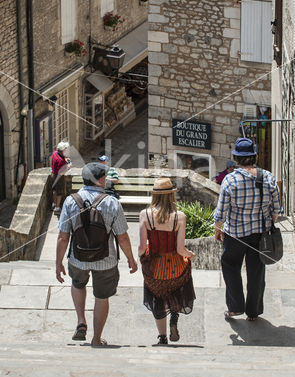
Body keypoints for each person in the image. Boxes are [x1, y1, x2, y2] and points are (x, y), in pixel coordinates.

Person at [56, 162, 138, 346]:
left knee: (78, 284)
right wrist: (131, 259)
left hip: (78, 258)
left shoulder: (70, 201)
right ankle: (96, 338)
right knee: (102, 297)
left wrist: (58, 262)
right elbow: (122, 237)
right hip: (106, 260)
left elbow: (63, 236)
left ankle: (81, 321)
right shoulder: (111, 203)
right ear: (100, 180)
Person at [213, 138, 282, 322]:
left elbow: (221, 212)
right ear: (255, 156)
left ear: (235, 158)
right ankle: (254, 311)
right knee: (257, 271)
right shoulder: (268, 177)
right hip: (260, 234)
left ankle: (235, 307)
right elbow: (276, 211)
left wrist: (218, 229)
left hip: (235, 234)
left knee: (230, 266)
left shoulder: (230, 180)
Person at [138, 177, 196, 345]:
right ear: (172, 195)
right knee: (178, 282)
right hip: (175, 266)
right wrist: (189, 254)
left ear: (154, 195)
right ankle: (174, 317)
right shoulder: (180, 217)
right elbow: (180, 250)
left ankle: (162, 337)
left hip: (155, 266)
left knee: (157, 295)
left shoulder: (145, 215)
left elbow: (142, 247)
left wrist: (141, 259)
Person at [51, 141, 72, 212]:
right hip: (59, 177)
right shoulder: (61, 161)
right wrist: (69, 166)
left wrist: (65, 159)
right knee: (59, 192)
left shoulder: (54, 153)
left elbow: (61, 158)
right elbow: (63, 171)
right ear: (63, 150)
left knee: (54, 190)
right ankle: (57, 207)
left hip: (53, 174)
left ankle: (53, 203)